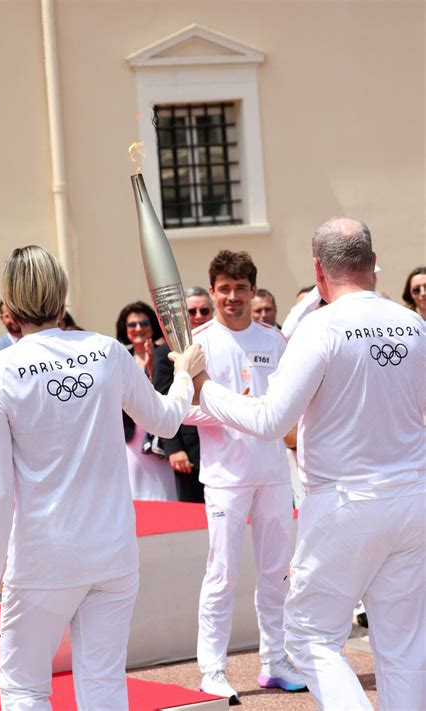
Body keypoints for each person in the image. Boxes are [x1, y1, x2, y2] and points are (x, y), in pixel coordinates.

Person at [195, 219, 425, 710]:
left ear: (318, 271)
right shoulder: (413, 324)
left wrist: (205, 389)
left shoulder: (319, 327)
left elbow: (269, 418)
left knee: (307, 636)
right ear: (373, 262)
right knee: (402, 643)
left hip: (346, 503)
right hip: (412, 499)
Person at [0, 246, 204, 711]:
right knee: (103, 686)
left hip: (43, 559)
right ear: (61, 293)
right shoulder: (106, 352)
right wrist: (182, 375)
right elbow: (165, 421)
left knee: (24, 689)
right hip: (112, 553)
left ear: (9, 304)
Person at [184, 251, 306, 703]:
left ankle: (275, 662)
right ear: (213, 291)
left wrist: (263, 416)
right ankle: (212, 669)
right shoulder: (199, 343)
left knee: (277, 573)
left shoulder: (274, 340)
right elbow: (183, 408)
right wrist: (236, 413)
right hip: (225, 477)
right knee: (222, 574)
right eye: (224, 288)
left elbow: (289, 402)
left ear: (253, 291)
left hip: (273, 473)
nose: (231, 297)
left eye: (240, 288)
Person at [152, 287, 213, 503]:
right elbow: (163, 401)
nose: (198, 317)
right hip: (190, 451)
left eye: (204, 311)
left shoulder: (220, 345)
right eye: (192, 311)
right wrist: (174, 449)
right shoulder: (163, 354)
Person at [116, 301, 178, 501]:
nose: (138, 329)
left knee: (165, 491)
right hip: (131, 436)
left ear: (152, 325)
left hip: (160, 434)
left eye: (143, 323)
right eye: (132, 325)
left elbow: (165, 394)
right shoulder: (120, 357)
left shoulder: (166, 356)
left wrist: (152, 367)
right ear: (125, 330)